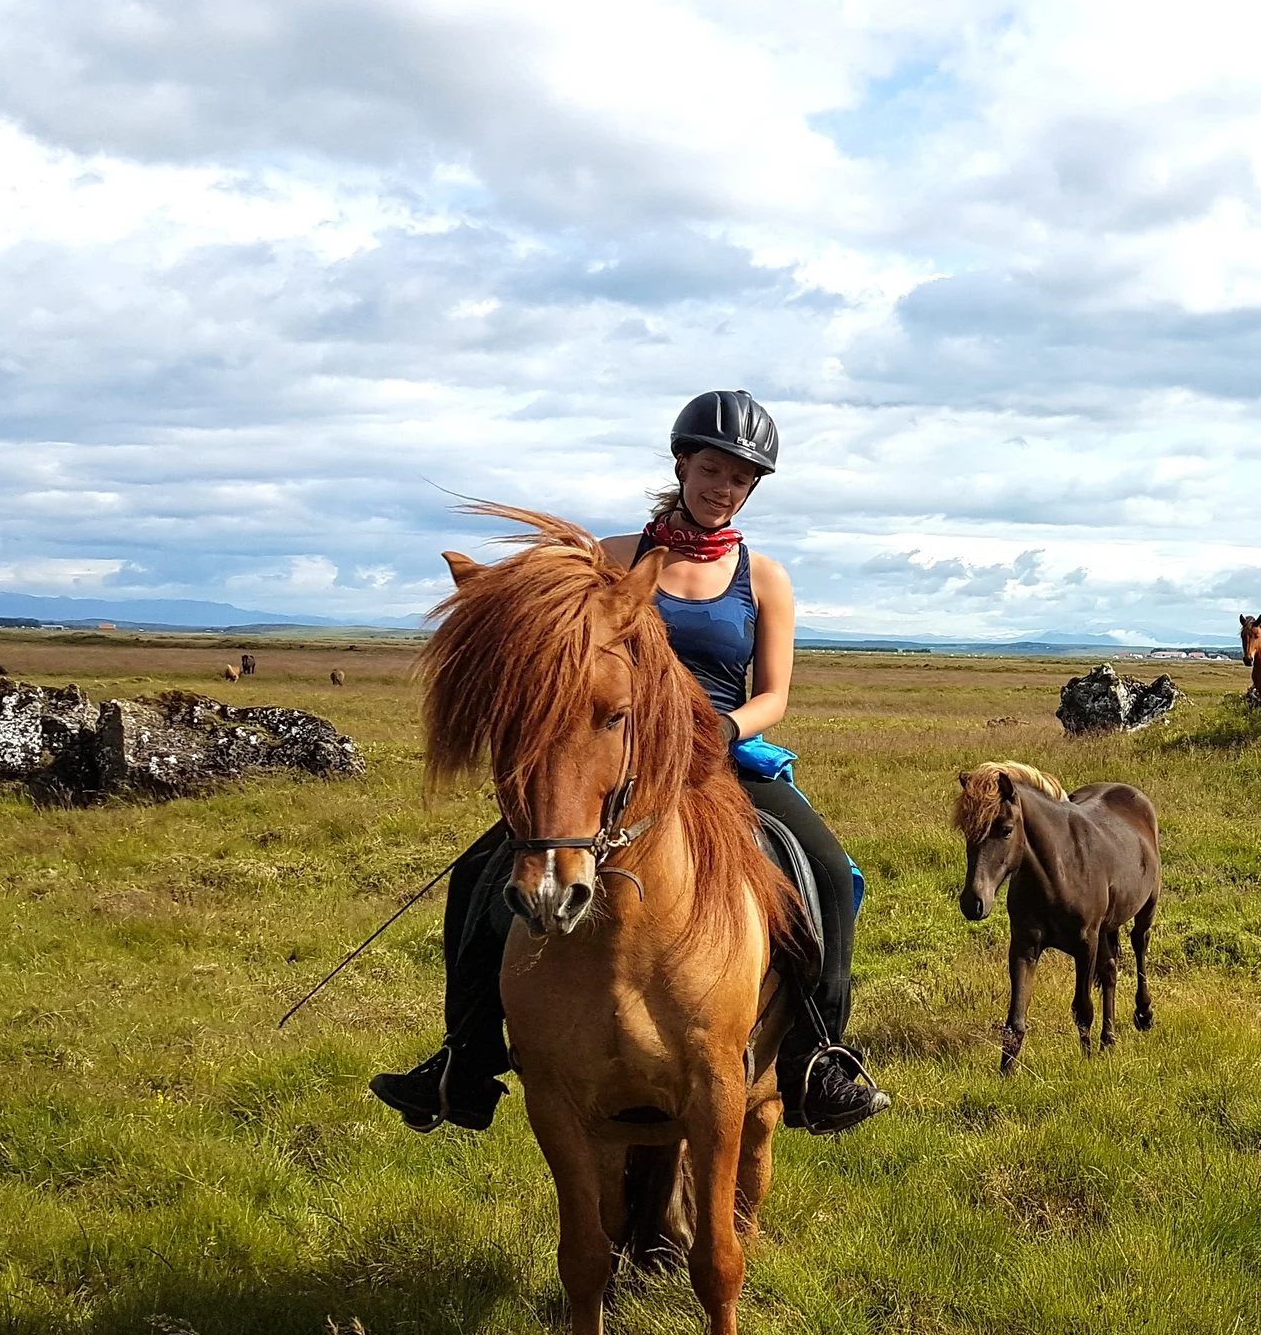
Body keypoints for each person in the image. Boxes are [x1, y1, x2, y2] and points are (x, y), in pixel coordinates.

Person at [370, 390, 891, 1137]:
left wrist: (722, 726)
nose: (723, 488)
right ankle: (465, 1058)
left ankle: (818, 1057)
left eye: (741, 478)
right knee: (480, 874)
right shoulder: (611, 559)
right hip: (612, 753)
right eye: (712, 469)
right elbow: (544, 625)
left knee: (829, 871)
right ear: (681, 464)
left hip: (719, 757)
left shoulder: (764, 578)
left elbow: (773, 694)